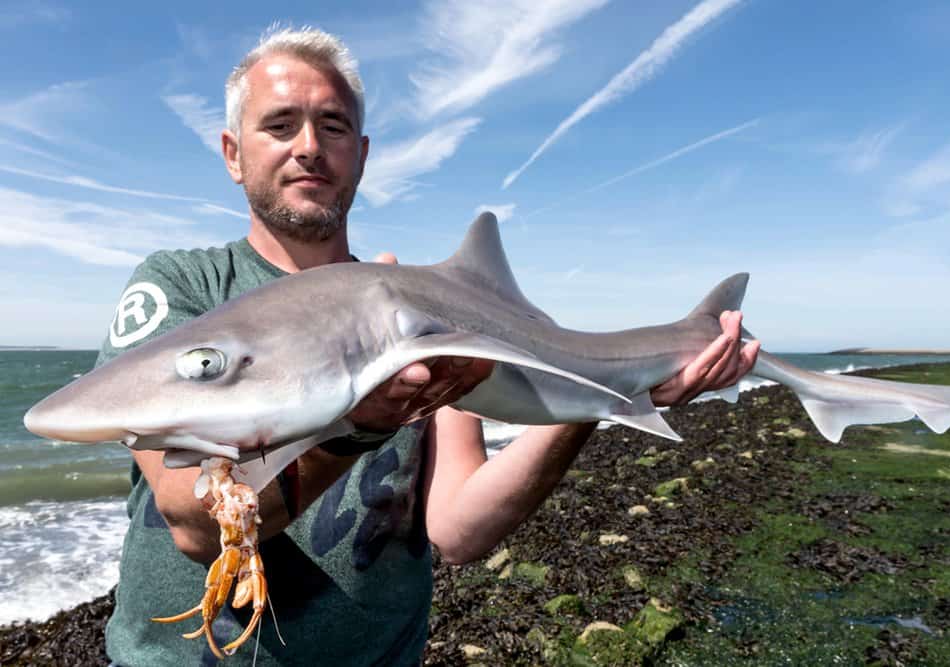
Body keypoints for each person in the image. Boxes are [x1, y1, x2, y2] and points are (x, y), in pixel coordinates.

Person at [98, 27, 760, 666]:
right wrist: (357, 423)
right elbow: (195, 520)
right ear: (233, 153)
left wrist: (602, 394)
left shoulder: (427, 316)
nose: (308, 147)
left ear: (361, 153)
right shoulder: (183, 289)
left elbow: (459, 525)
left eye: (331, 126)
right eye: (279, 125)